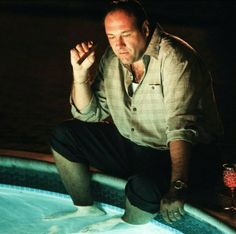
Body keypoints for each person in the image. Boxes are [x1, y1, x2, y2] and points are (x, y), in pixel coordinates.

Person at [50, 0, 223, 232]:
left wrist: (178, 186)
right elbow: (89, 114)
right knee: (64, 135)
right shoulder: (113, 58)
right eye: (111, 37)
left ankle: (125, 228)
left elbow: (181, 127)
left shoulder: (175, 58)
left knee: (144, 187)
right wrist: (80, 76)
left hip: (187, 155)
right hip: (137, 145)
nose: (118, 45)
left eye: (125, 35)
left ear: (144, 29)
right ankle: (85, 210)